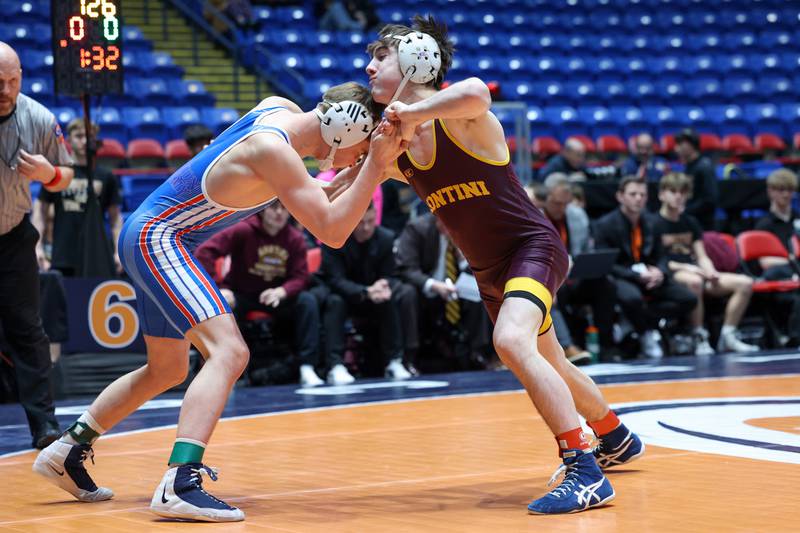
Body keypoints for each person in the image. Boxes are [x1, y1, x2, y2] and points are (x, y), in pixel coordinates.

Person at [34, 82, 405, 522]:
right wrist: (374, 169)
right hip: (162, 239)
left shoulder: (277, 111)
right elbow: (333, 232)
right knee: (229, 351)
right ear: (345, 127)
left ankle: (67, 449)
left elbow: (310, 196)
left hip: (155, 235)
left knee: (168, 368)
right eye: (359, 149)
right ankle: (180, 481)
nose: (356, 158)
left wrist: (362, 172)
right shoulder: (275, 151)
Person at [361, 16, 645, 514]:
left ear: (414, 60)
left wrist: (412, 112)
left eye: (380, 57)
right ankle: (615, 436)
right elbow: (337, 193)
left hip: (531, 249)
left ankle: (583, 469)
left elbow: (476, 91)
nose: (368, 67)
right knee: (551, 362)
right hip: (490, 272)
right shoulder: (399, 151)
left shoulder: (462, 118)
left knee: (510, 342)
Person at [0, 41, 74, 450]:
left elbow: (66, 176)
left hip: (12, 237)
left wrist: (49, 174)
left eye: (12, 80)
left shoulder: (39, 118)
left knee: (28, 331)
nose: (6, 89)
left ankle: (44, 426)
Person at [195, 200, 325, 387]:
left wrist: (283, 291)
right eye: (274, 208)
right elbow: (205, 251)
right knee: (223, 304)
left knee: (307, 301)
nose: (279, 213)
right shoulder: (243, 230)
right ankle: (223, 368)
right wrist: (219, 288)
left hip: (274, 297)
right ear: (263, 211)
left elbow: (301, 277)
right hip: (242, 294)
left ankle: (307, 367)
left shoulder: (295, 238)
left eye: (285, 208)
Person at [593, 176, 698, 358]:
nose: (638, 198)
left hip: (650, 275)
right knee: (632, 299)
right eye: (633, 194)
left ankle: (635, 321)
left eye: (642, 194)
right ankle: (645, 332)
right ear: (620, 196)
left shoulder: (652, 222)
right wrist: (635, 275)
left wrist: (660, 272)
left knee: (689, 298)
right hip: (623, 276)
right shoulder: (605, 225)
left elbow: (662, 256)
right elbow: (607, 264)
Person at [655, 172, 757, 354]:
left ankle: (728, 335)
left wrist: (710, 271)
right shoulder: (653, 223)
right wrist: (688, 267)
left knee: (745, 283)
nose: (678, 196)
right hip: (671, 273)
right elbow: (657, 260)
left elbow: (701, 255)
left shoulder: (690, 222)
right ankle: (699, 335)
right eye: (673, 191)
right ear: (662, 194)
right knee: (695, 281)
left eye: (682, 192)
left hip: (696, 270)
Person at [318, 201, 415, 383]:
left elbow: (391, 274)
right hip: (344, 295)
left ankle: (394, 361)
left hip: (374, 295)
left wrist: (383, 284)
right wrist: (366, 291)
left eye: (370, 221)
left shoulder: (385, 237)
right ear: (352, 220)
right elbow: (334, 280)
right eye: (361, 222)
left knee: (389, 299)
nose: (366, 227)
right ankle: (335, 365)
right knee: (335, 302)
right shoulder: (333, 238)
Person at [395, 212, 494, 371]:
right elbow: (406, 269)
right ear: (437, 217)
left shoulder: (463, 231)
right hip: (426, 291)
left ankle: (478, 353)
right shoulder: (417, 229)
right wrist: (434, 285)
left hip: (454, 290)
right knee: (408, 294)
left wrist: (463, 260)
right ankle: (410, 357)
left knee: (480, 291)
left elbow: (477, 270)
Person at [542, 174, 619, 362]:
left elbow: (585, 250)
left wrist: (580, 263)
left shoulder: (577, 215)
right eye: (556, 203)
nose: (561, 209)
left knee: (605, 284)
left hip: (574, 277)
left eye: (565, 204)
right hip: (548, 278)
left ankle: (607, 345)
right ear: (546, 198)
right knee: (548, 295)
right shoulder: (535, 217)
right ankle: (567, 347)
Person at [33, 118, 123, 275]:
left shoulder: (106, 176)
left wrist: (118, 252)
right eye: (79, 136)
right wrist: (37, 246)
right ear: (68, 139)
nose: (85, 140)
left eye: (90, 136)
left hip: (96, 254)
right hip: (63, 255)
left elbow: (115, 219)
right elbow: (40, 210)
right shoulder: (58, 172)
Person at [674, 128, 719, 230]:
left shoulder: (704, 167)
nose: (676, 148)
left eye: (680, 144)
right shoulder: (688, 166)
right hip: (690, 221)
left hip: (703, 225)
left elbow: (710, 200)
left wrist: (686, 210)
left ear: (691, 145)